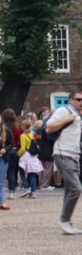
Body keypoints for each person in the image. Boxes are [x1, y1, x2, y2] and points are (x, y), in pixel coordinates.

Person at [45, 92, 82, 233]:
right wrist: (67, 119)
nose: (81, 102)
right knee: (76, 188)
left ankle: (67, 222)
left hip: (74, 155)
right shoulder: (63, 111)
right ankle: (64, 220)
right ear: (71, 100)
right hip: (62, 153)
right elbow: (48, 127)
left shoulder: (77, 115)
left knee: (69, 189)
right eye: (78, 99)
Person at [18, 120, 43, 199]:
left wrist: (17, 154)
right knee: (32, 174)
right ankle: (34, 192)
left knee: (22, 172)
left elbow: (22, 148)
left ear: (23, 126)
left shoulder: (23, 136)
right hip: (33, 156)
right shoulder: (32, 134)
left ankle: (26, 188)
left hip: (26, 155)